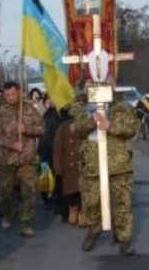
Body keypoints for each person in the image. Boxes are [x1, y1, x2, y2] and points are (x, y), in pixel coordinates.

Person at [71, 92, 139, 254]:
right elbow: (75, 129)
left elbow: (131, 129)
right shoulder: (84, 106)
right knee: (92, 203)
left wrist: (111, 126)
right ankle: (94, 229)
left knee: (122, 203)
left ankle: (124, 239)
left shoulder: (123, 107)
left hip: (119, 164)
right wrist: (91, 121)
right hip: (93, 164)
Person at [0, 81, 45, 238]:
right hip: (7, 158)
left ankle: (26, 223)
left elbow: (42, 128)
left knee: (28, 192)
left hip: (26, 158)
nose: (10, 97)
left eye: (13, 94)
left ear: (19, 92)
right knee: (4, 191)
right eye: (7, 94)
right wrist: (11, 144)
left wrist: (27, 129)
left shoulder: (29, 109)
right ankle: (8, 215)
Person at [53, 111, 82, 225]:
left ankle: (82, 211)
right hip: (68, 165)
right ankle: (72, 209)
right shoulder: (63, 128)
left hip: (81, 163)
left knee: (83, 190)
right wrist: (58, 168)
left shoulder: (86, 126)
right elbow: (57, 149)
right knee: (70, 191)